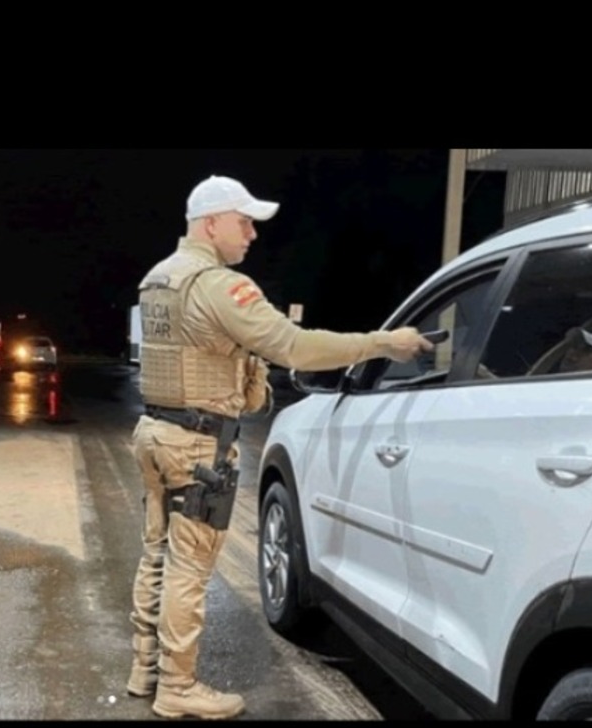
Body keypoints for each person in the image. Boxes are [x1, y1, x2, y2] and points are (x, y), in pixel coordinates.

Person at [127, 175, 435, 720]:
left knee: (157, 553)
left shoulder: (159, 279)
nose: (251, 234)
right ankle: (177, 687)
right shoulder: (219, 285)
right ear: (212, 222)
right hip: (197, 446)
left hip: (155, 434)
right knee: (189, 569)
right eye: (244, 222)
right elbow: (295, 346)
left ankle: (144, 668)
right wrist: (385, 342)